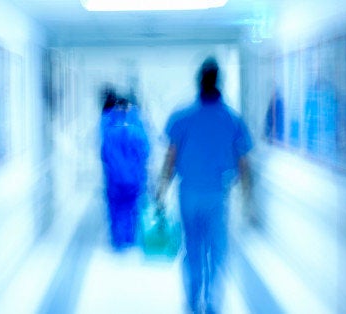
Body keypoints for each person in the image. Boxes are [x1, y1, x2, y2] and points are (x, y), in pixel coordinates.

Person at [155, 57, 253, 314]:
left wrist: (161, 190)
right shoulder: (232, 118)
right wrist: (247, 198)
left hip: (188, 194)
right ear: (219, 80)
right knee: (217, 250)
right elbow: (243, 162)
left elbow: (170, 157)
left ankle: (192, 301)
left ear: (199, 80)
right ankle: (211, 303)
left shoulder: (182, 116)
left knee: (192, 249)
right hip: (217, 195)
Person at [100, 89, 150, 251]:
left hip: (114, 179)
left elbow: (104, 155)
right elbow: (145, 153)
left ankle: (117, 241)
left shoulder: (109, 132)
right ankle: (130, 238)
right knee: (132, 208)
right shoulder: (137, 131)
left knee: (115, 209)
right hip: (134, 178)